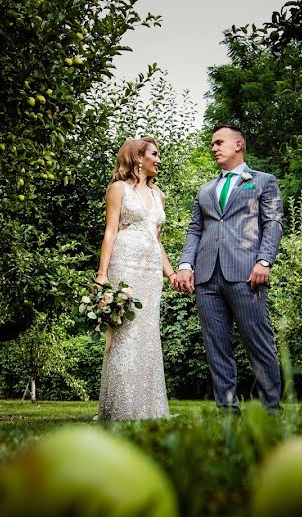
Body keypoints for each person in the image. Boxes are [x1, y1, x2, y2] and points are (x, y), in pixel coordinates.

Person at [173, 125, 284, 414]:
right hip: (207, 278)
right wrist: (186, 264)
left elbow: (272, 223)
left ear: (239, 144)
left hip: (247, 274)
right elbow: (195, 229)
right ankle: (227, 410)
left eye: (219, 142)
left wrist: (265, 261)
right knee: (216, 346)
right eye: (212, 143)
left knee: (258, 343)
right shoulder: (205, 190)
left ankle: (270, 410)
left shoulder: (263, 181)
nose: (214, 147)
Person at [95, 137, 176, 420]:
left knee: (148, 333)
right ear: (138, 157)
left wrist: (172, 273)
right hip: (125, 265)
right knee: (126, 332)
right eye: (154, 154)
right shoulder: (118, 189)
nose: (159, 159)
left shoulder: (159, 195)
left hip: (151, 270)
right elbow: (110, 231)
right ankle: (120, 407)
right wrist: (102, 274)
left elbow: (157, 241)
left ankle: (149, 406)